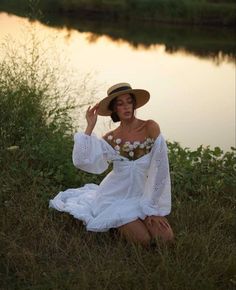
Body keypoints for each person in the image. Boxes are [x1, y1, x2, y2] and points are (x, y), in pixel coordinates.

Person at [49, 82, 174, 246]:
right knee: (143, 241)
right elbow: (83, 161)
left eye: (129, 102)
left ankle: (124, 223)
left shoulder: (149, 127)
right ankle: (115, 224)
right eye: (120, 104)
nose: (126, 107)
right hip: (114, 197)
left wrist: (154, 209)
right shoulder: (110, 138)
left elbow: (161, 167)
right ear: (114, 110)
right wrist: (89, 127)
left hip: (143, 195)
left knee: (166, 239)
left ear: (134, 104)